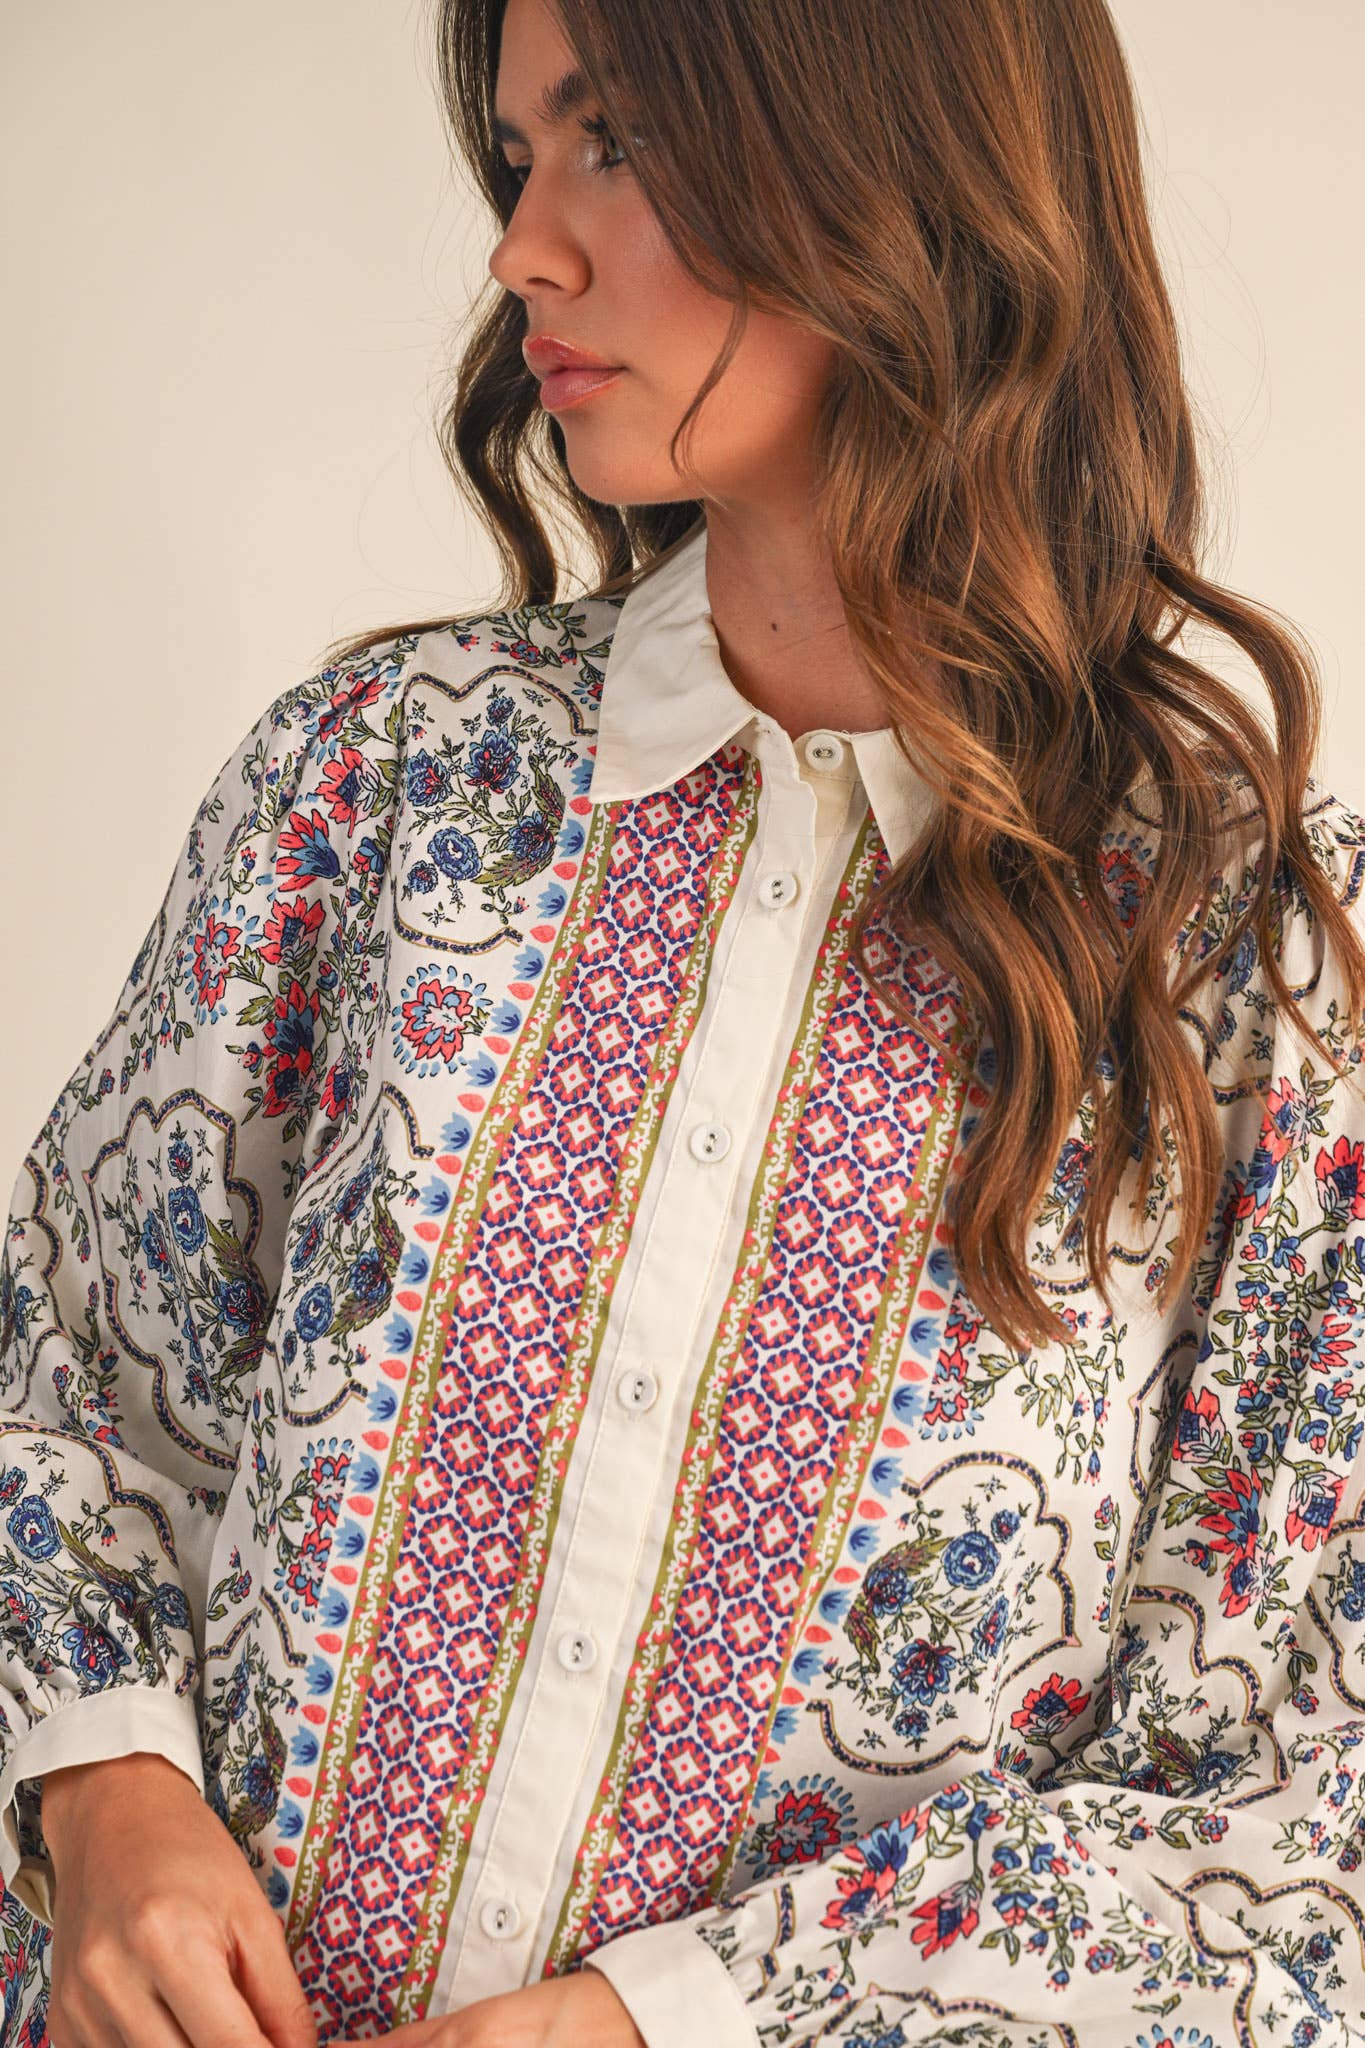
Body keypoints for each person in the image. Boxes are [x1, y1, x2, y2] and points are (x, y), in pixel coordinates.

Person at [3, 0, 1364, 2042]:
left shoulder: (1231, 960)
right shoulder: (379, 785)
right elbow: (67, 1388)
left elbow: (1288, 1829)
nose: (521, 247)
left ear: (887, 167)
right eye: (524, 148)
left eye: (614, 142)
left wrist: (664, 2021)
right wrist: (103, 1797)